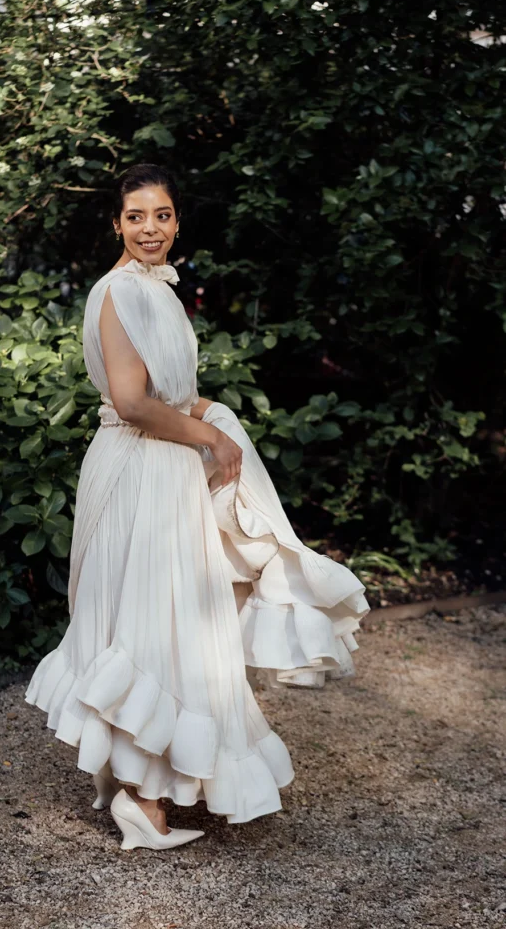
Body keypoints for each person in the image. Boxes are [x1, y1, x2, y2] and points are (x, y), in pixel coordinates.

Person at [25, 163, 370, 851]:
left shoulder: (158, 290)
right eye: (135, 217)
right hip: (138, 471)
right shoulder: (119, 290)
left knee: (175, 623)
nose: (149, 229)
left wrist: (215, 415)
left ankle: (148, 789)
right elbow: (131, 404)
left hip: (166, 464)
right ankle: (144, 802)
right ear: (115, 224)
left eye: (161, 215)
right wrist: (206, 435)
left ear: (176, 220)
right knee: (152, 624)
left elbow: (171, 394)